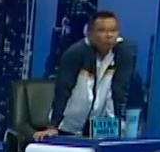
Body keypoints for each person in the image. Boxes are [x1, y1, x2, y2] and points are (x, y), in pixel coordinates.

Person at [36, 10, 137, 140]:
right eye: (102, 30)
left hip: (99, 127)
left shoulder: (122, 53)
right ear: (90, 33)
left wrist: (119, 125)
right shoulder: (75, 53)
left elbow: (119, 90)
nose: (109, 35)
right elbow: (62, 90)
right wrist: (53, 126)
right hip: (68, 126)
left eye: (113, 30)